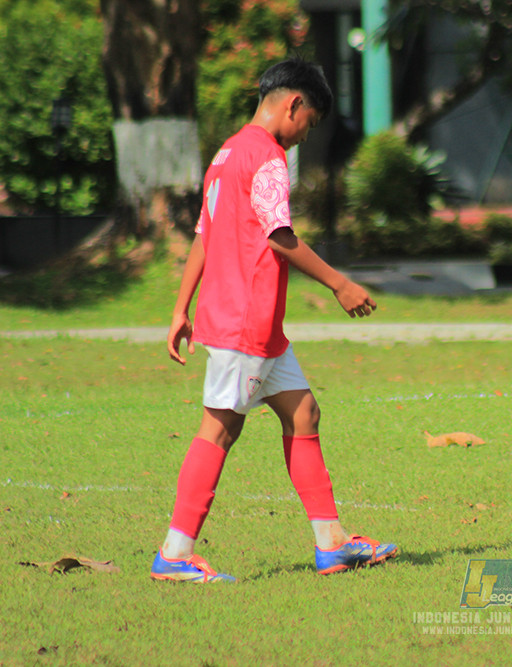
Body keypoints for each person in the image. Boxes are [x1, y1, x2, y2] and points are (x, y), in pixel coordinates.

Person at [151, 58, 397, 583]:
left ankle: (331, 544)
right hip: (246, 320)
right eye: (310, 122)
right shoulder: (265, 157)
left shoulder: (225, 154)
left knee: (304, 414)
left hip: (255, 325)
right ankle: (173, 554)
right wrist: (340, 283)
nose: (306, 135)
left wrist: (180, 309)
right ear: (295, 104)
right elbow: (277, 236)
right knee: (218, 430)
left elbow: (204, 233)